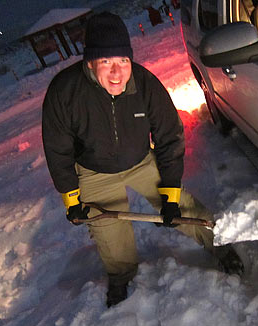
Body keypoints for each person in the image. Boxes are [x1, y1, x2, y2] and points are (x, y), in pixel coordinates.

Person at [42, 12, 243, 308]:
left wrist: (170, 195)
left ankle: (221, 245)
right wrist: (72, 201)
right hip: (94, 170)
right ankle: (121, 275)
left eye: (123, 61)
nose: (117, 72)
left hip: (140, 161)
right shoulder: (65, 92)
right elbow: (58, 150)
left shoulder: (144, 84)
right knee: (110, 233)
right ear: (90, 63)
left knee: (182, 206)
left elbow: (169, 137)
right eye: (106, 62)